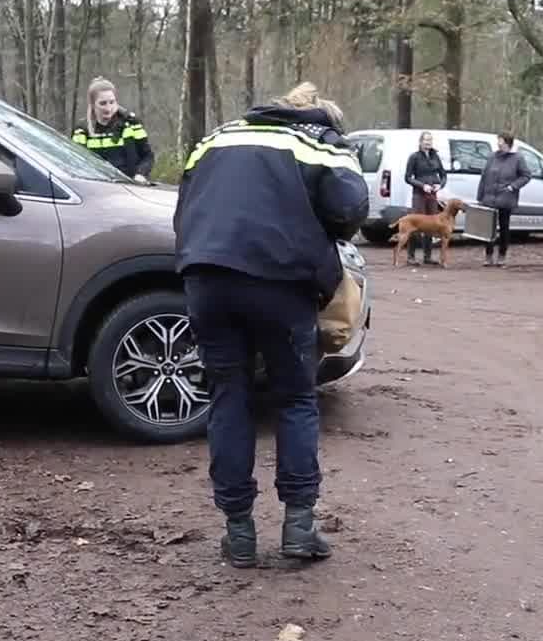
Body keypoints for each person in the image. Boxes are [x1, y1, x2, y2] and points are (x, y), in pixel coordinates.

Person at [172, 82, 370, 568]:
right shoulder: (320, 142)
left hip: (208, 276)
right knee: (295, 397)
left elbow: (185, 209)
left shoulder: (216, 138)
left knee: (229, 394)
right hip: (280, 281)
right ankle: (299, 526)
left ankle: (238, 533)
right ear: (323, 116)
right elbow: (350, 210)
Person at [73, 78, 154, 183]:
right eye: (102, 103)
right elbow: (76, 163)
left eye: (112, 102)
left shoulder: (131, 124)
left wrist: (140, 174)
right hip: (96, 187)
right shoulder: (82, 130)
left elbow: (147, 156)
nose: (108, 108)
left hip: (129, 187)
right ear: (93, 104)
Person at [476, 131, 532, 267]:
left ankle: (502, 256)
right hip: (489, 198)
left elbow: (526, 176)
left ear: (507, 143)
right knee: (487, 229)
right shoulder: (492, 157)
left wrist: (513, 186)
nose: (498, 143)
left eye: (500, 140)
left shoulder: (517, 158)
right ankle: (488, 256)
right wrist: (480, 196)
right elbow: (484, 177)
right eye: (498, 140)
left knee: (504, 228)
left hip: (505, 198)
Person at [403, 131, 447, 265]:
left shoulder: (435, 157)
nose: (428, 142)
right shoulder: (414, 157)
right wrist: (422, 186)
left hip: (432, 195)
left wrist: (440, 185)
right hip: (419, 195)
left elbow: (443, 175)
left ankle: (427, 256)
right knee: (416, 224)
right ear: (420, 142)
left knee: (432, 225)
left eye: (430, 140)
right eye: (425, 140)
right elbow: (408, 177)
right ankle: (411, 256)